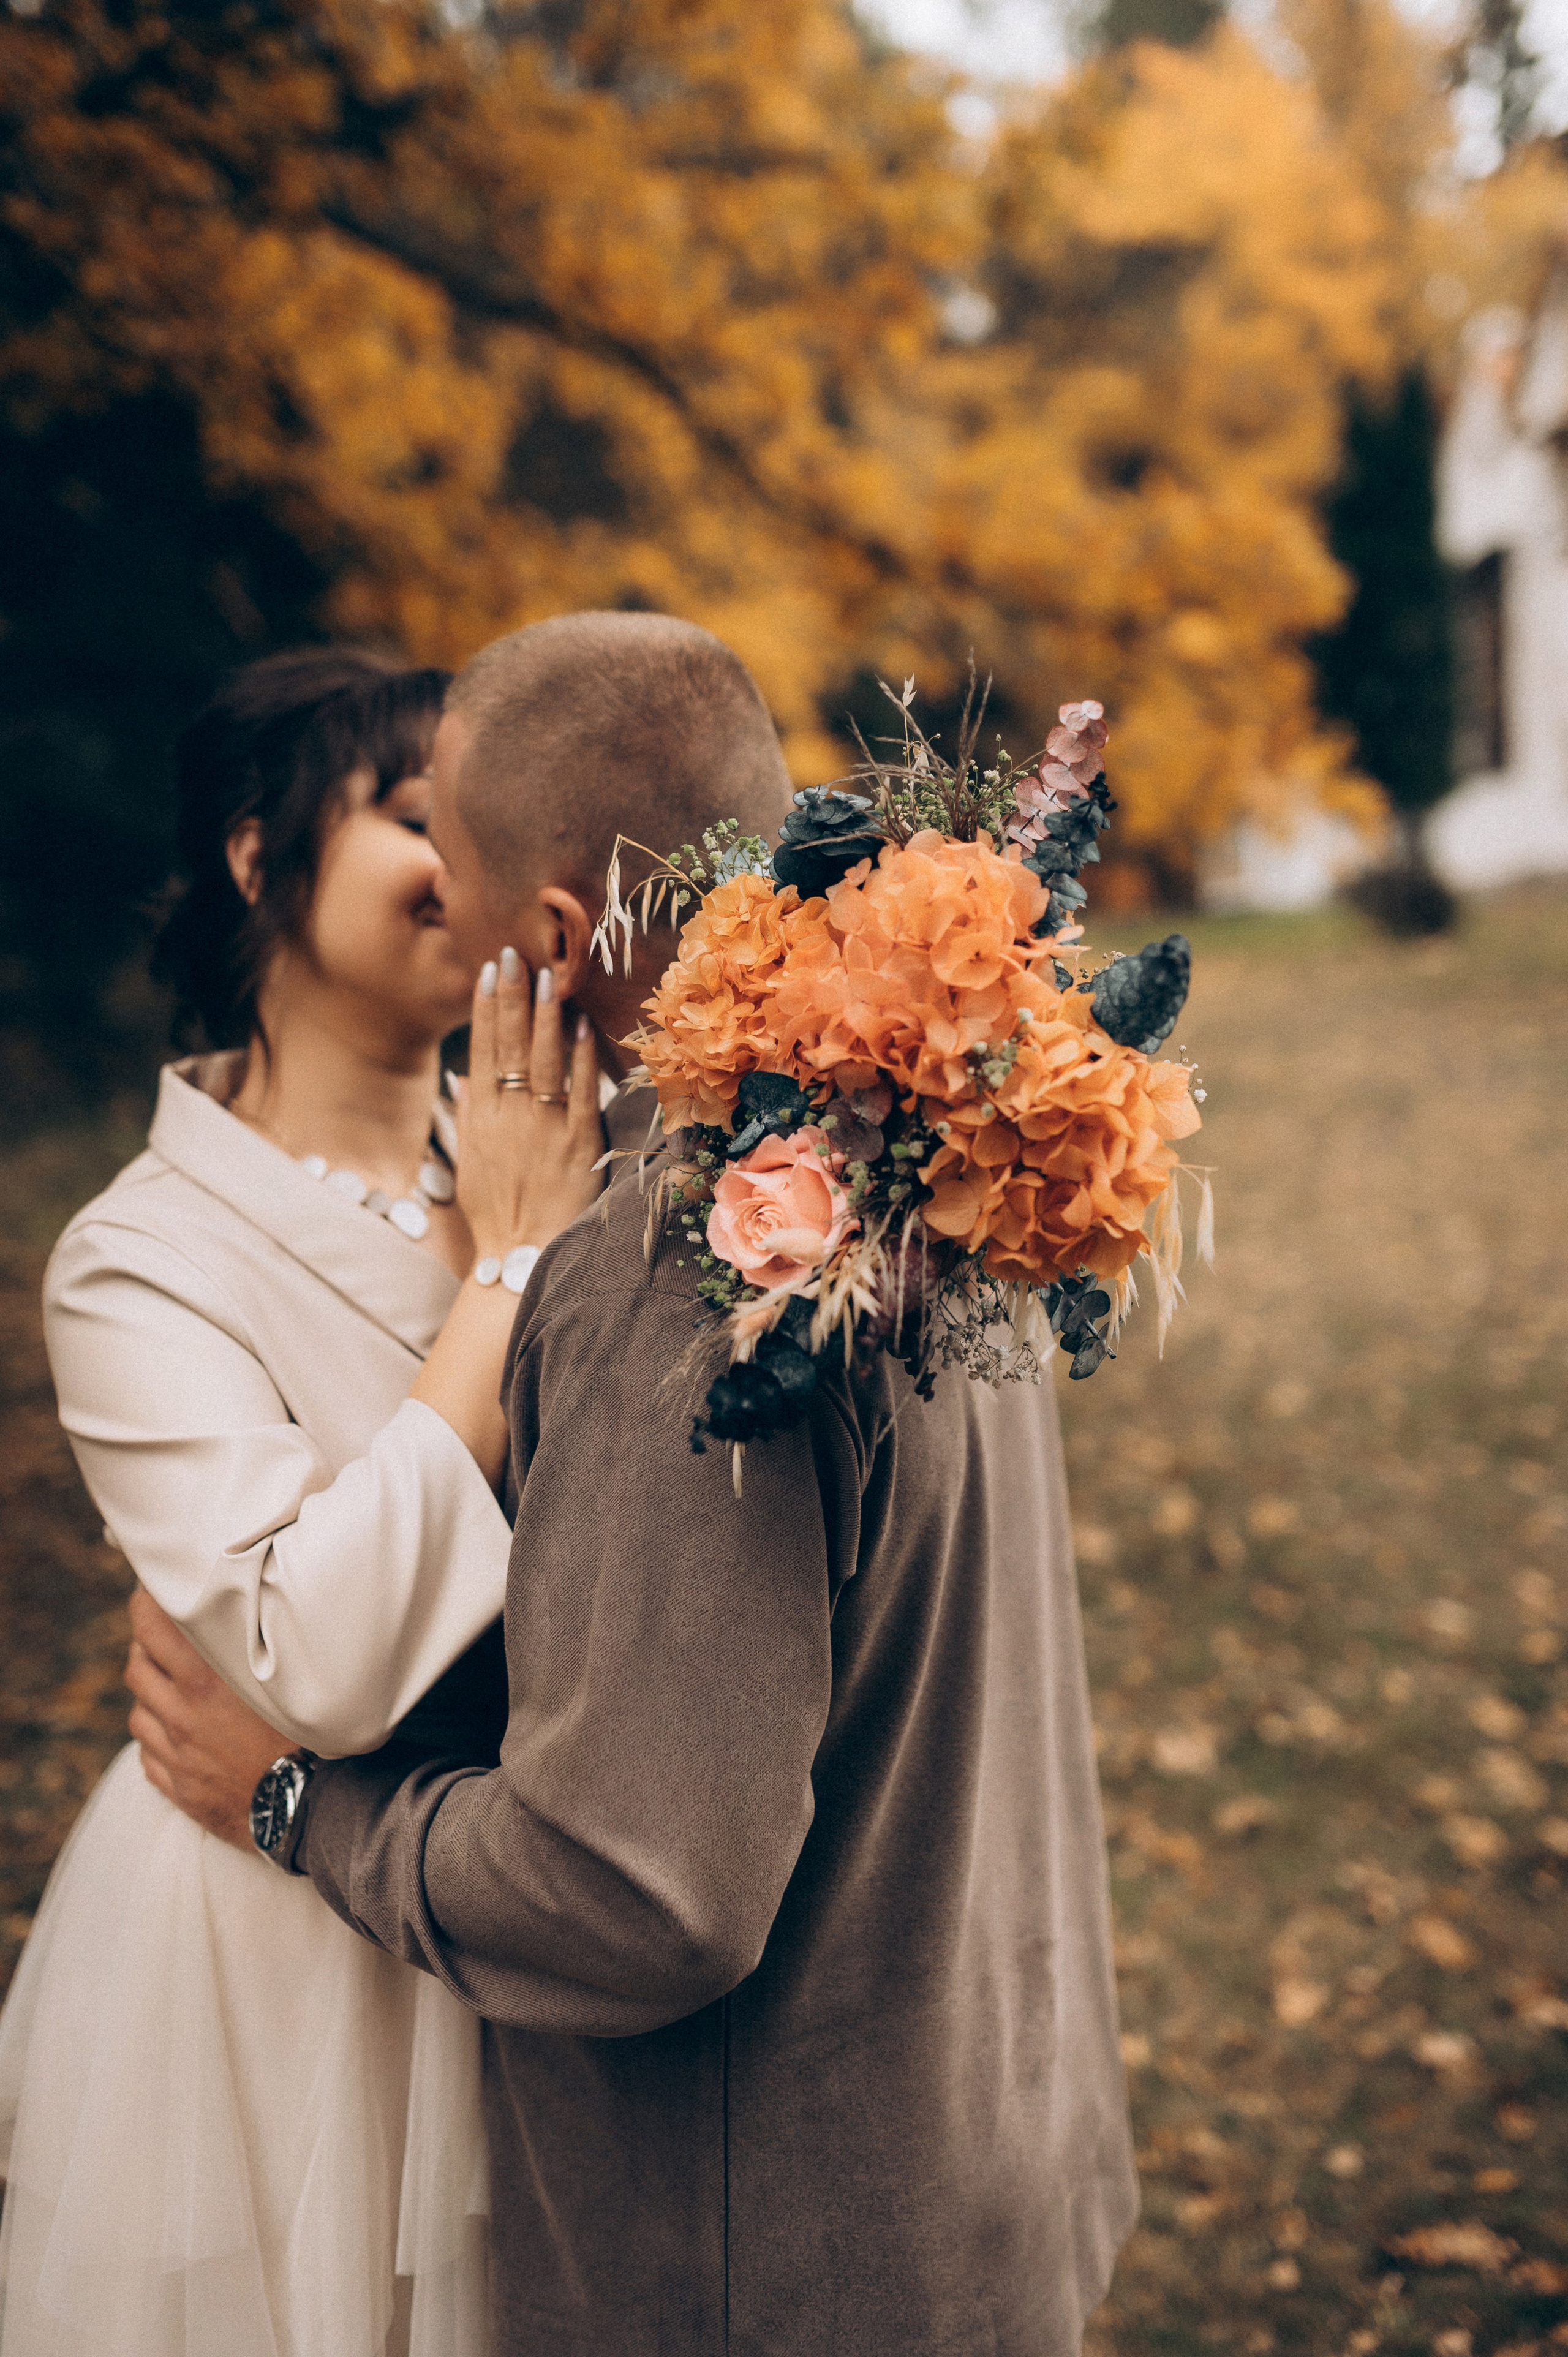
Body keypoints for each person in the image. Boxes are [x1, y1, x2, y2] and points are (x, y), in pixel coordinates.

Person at [132, 611, 1140, 2356]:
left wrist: (300, 1806)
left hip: (781, 2270)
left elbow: (639, 1894)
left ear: (548, 935)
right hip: (987, 2163)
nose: (428, 897)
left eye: (444, 855)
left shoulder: (690, 1263)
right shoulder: (931, 1132)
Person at [0, 649, 606, 2357]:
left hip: (528, 1909)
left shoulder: (562, 1149)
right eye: (419, 819)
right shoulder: (139, 1262)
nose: (470, 863)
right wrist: (515, 1270)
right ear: (259, 862)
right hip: (266, 1954)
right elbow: (314, 1658)